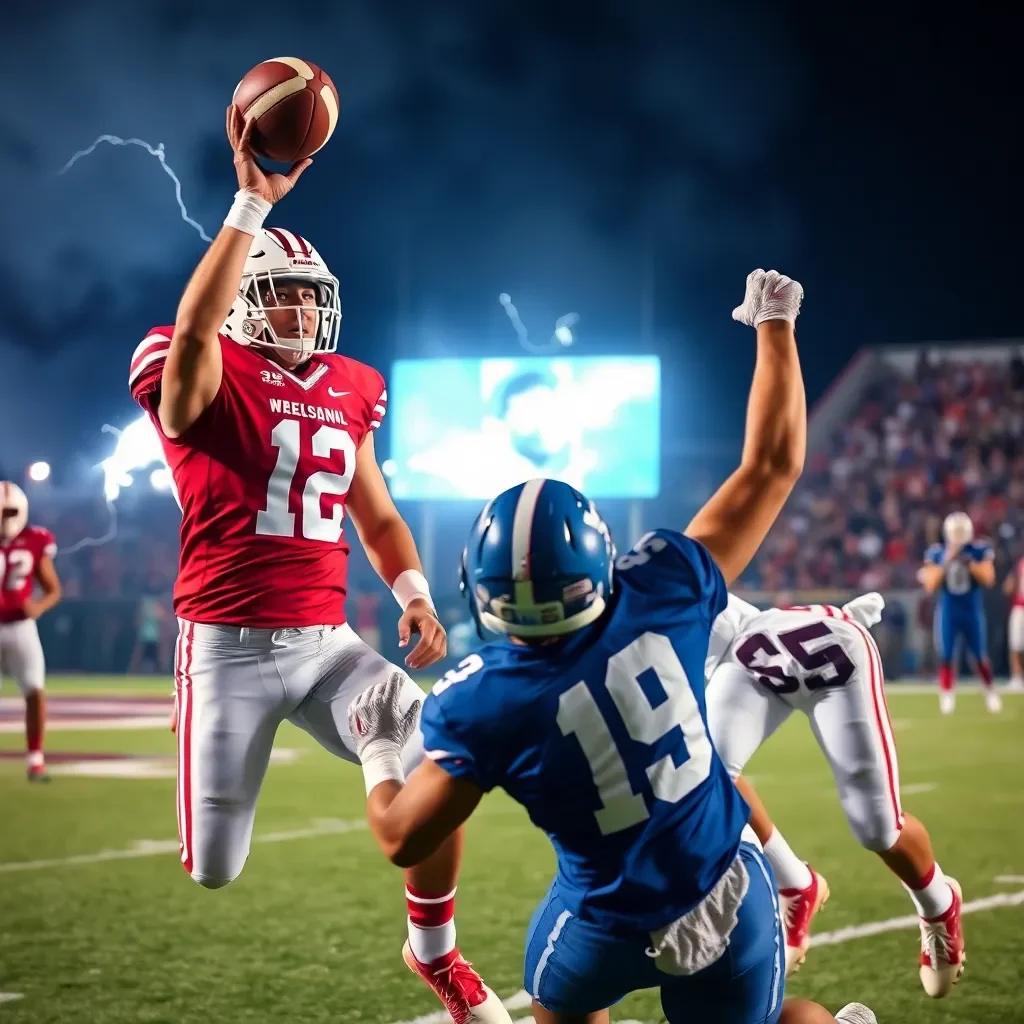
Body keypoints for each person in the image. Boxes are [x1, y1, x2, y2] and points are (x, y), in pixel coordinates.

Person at [347, 273, 876, 1023]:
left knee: (558, 1008)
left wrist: (377, 748)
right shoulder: (660, 587)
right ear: (601, 563)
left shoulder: (487, 697)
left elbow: (403, 837)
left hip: (601, 922)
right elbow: (772, 464)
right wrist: (777, 325)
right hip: (725, 887)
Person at [129, 106, 506, 1024]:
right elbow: (191, 336)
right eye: (281, 293)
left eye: (311, 293)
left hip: (326, 641)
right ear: (243, 299)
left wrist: (413, 593)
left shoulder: (352, 387)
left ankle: (438, 955)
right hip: (223, 647)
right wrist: (250, 207)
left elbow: (374, 512)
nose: (301, 309)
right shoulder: (197, 369)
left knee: (434, 760)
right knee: (215, 867)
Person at [704, 592, 965, 997]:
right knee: (704, 773)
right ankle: (796, 883)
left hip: (828, 647)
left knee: (877, 829)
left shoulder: (635, 610)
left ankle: (938, 902)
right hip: (750, 658)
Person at [0, 481, 62, 781]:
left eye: (9, 512)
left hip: (21, 627)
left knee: (35, 691)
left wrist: (37, 606)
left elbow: (53, 589)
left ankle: (35, 759)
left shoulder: (35, 539)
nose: (4, 518)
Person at [918, 511, 999, 714]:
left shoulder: (978, 550)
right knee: (946, 654)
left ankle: (990, 692)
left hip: (972, 609)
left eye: (961, 531)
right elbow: (930, 585)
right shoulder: (937, 552)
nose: (958, 535)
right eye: (955, 531)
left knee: (979, 655)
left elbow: (989, 579)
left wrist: (968, 562)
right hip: (949, 609)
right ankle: (947, 696)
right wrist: (947, 560)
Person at [1001, 557, 1024, 690]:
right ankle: (1016, 678)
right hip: (1019, 607)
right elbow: (1008, 587)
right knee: (1015, 644)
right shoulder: (1020, 563)